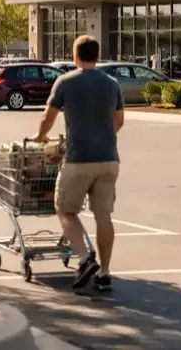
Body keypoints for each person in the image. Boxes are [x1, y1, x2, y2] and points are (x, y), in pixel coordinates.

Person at [33, 35, 124, 291]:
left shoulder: (65, 82)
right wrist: (103, 136)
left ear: (75, 56)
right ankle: (105, 273)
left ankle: (85, 259)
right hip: (109, 159)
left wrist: (41, 136)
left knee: (64, 208)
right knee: (103, 215)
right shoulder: (112, 84)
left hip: (79, 159)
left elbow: (48, 117)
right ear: (96, 55)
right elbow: (119, 121)